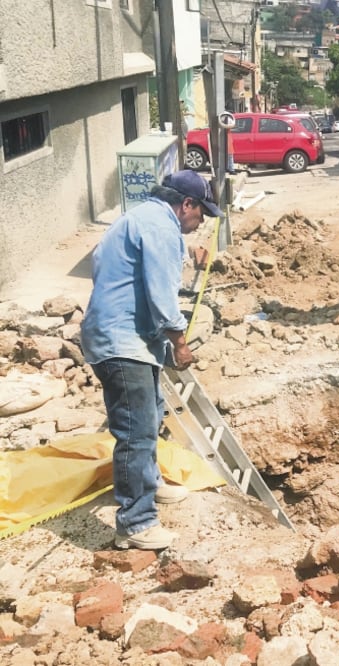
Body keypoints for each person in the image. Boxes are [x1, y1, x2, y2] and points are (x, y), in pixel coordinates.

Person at [81, 170, 222, 551]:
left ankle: (150, 483)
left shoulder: (138, 218)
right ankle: (135, 521)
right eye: (200, 214)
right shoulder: (161, 228)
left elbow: (108, 270)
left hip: (117, 334)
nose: (201, 223)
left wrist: (188, 254)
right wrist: (179, 341)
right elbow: (162, 293)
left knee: (152, 411)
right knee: (136, 429)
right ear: (186, 204)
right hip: (121, 341)